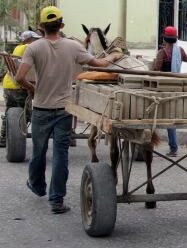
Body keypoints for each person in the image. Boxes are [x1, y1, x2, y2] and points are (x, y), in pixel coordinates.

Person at [14, 6, 122, 214]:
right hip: (64, 109)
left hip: (41, 109)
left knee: (38, 152)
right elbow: (99, 63)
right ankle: (56, 200)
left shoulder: (33, 48)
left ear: (41, 27)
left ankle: (37, 185)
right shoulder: (73, 47)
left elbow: (19, 77)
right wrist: (115, 57)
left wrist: (32, 88)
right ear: (61, 26)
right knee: (60, 154)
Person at [0, 31, 42, 147]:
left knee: (9, 111)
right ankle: (15, 136)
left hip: (9, 84)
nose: (36, 41)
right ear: (27, 40)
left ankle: (4, 137)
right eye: (34, 39)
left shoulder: (18, 48)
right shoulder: (27, 48)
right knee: (25, 114)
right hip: (19, 86)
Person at [152, 26, 187, 157]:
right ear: (175, 39)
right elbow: (186, 59)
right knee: (170, 119)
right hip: (176, 88)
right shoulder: (180, 50)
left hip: (162, 89)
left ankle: (148, 142)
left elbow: (156, 69)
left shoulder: (162, 52)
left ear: (164, 38)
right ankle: (173, 148)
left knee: (153, 115)